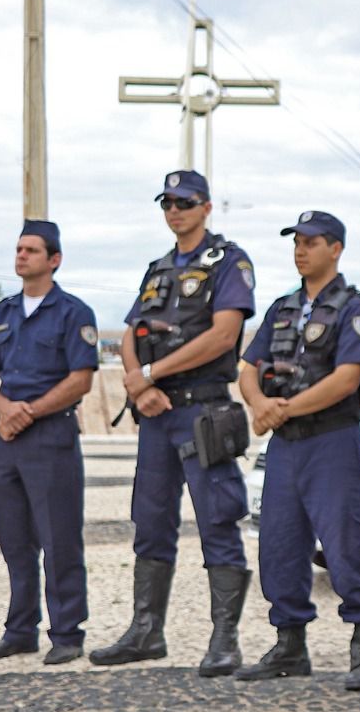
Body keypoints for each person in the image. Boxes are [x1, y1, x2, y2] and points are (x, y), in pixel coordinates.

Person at [92, 170, 256, 676]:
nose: (174, 210)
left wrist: (151, 374)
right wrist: (139, 383)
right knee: (150, 521)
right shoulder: (159, 268)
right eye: (167, 202)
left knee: (217, 520)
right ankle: (146, 630)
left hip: (203, 410)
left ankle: (224, 639)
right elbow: (129, 333)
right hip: (157, 416)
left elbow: (223, 336)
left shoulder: (228, 261)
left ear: (206, 207)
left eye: (184, 201)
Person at [234, 211, 360, 689]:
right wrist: (260, 403)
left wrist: (283, 409)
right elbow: (247, 367)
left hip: (331, 442)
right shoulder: (281, 307)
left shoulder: (354, 309)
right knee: (279, 543)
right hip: (286, 445)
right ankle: (289, 644)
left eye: (311, 242)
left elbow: (347, 378)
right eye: (296, 242)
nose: (301, 250)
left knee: (346, 542)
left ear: (336, 248)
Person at [0, 221, 98, 664]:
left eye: (31, 250)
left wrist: (28, 412)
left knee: (59, 537)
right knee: (14, 540)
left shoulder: (73, 312)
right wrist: (7, 410)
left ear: (54, 259)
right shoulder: (3, 312)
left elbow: (80, 379)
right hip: (6, 438)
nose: (21, 256)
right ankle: (20, 630)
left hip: (50, 435)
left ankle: (67, 632)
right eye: (19, 248)